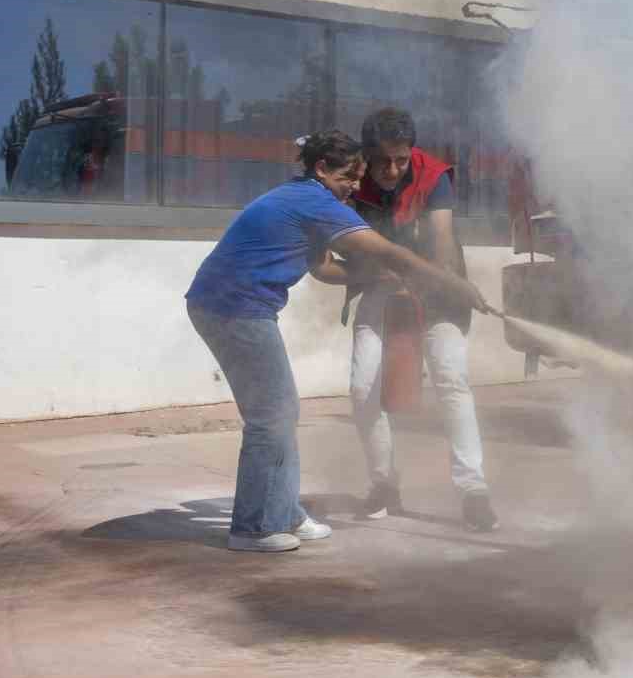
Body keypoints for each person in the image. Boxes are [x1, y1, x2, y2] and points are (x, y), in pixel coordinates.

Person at [186, 129, 495, 553]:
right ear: (321, 170)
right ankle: (253, 527)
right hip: (233, 307)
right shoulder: (316, 202)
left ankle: (284, 514)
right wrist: (452, 283)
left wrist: (371, 277)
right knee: (271, 416)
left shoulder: (300, 198)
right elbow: (389, 251)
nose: (355, 185)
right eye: (349, 175)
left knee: (280, 411)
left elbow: (323, 268)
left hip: (232, 304)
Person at [320, 107, 500, 531]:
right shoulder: (351, 181)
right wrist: (379, 276)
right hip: (380, 286)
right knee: (363, 385)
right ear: (366, 155)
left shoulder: (433, 176)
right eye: (383, 160)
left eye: (401, 159)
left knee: (450, 379)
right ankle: (384, 484)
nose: (393, 169)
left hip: (440, 286)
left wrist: (426, 282)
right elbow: (332, 254)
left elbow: (440, 244)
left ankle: (473, 490)